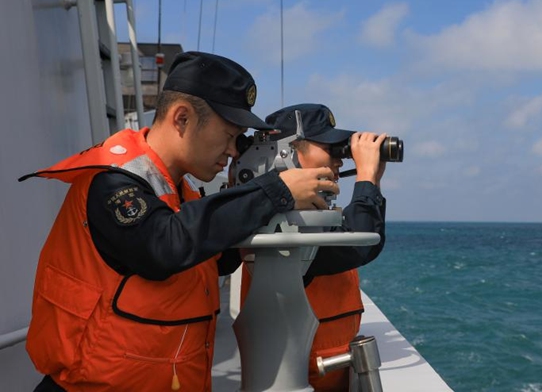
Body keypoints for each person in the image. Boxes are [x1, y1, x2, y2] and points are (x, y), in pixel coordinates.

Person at [20, 52, 339, 392]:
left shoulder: (179, 193)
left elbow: (210, 260)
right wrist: (273, 192)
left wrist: (253, 207)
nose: (234, 151)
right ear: (182, 118)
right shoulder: (112, 181)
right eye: (229, 135)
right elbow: (165, 246)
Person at [240, 103, 387, 391]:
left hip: (328, 370)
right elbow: (359, 244)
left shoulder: (308, 214)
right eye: (330, 149)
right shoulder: (280, 221)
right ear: (289, 151)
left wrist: (373, 181)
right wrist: (366, 178)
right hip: (301, 376)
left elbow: (359, 239)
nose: (339, 160)